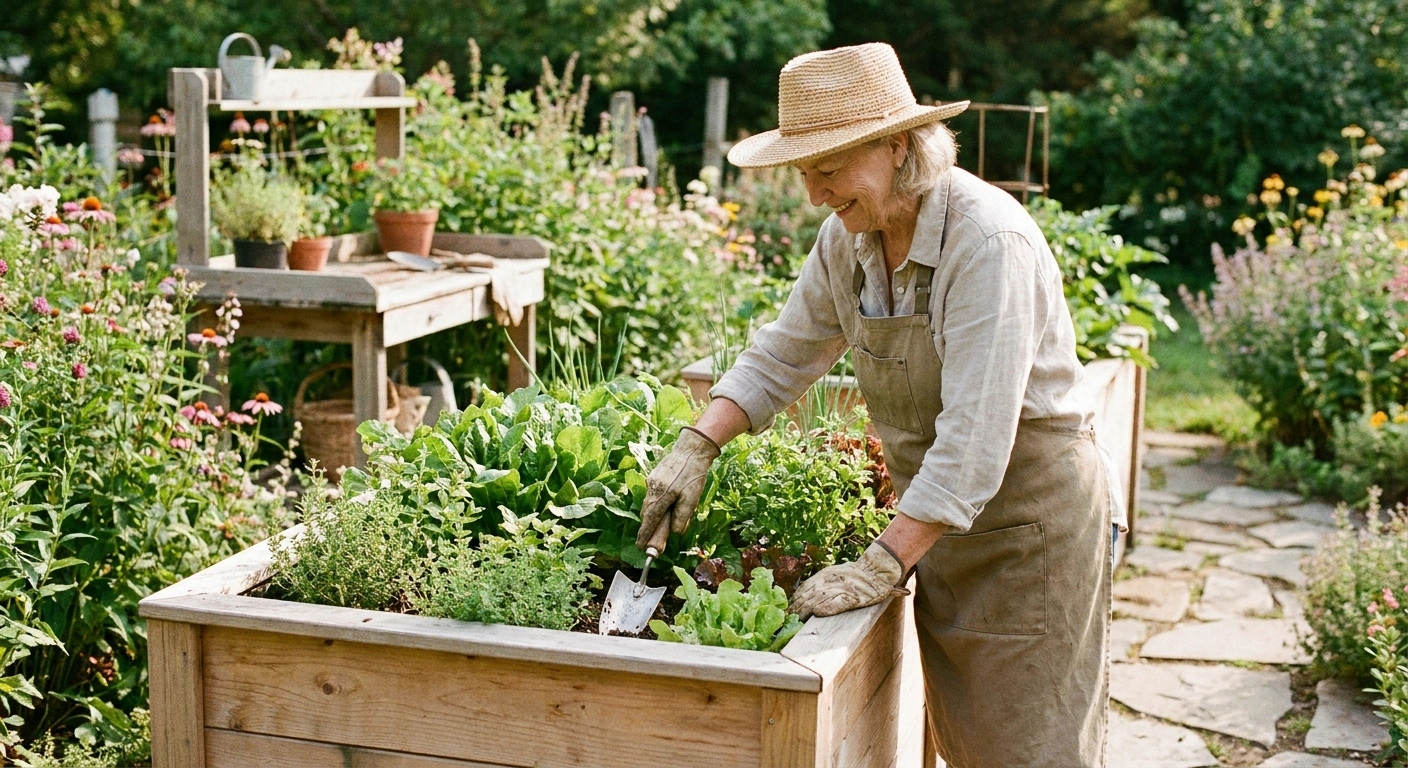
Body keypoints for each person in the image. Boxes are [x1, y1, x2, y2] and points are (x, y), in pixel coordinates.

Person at [636, 43, 1116, 767]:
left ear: (897, 145)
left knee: (1031, 748)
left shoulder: (987, 243)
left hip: (1029, 533)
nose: (814, 195)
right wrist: (698, 442)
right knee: (969, 742)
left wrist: (879, 563)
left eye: (828, 169)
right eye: (804, 173)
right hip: (945, 524)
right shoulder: (850, 240)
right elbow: (784, 351)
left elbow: (976, 440)